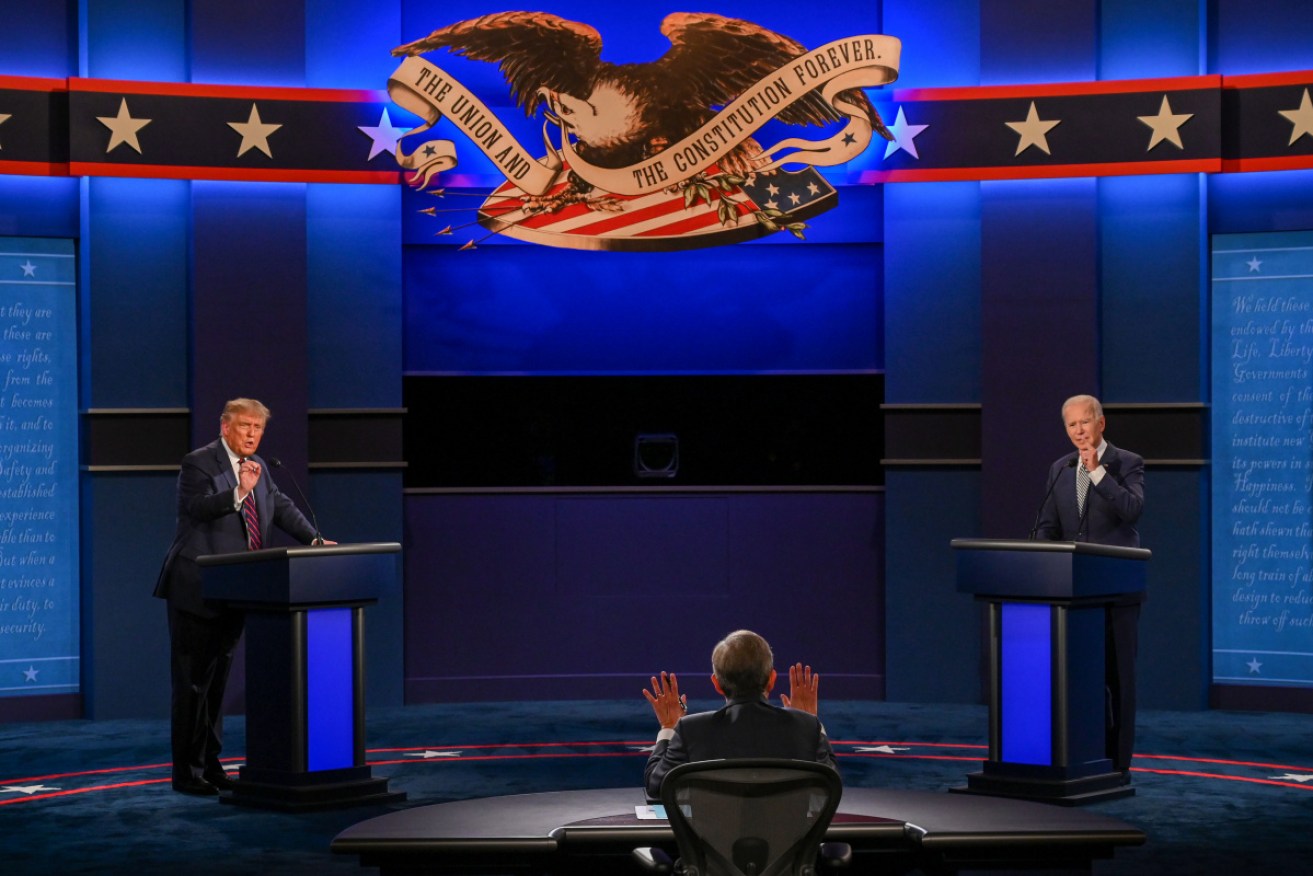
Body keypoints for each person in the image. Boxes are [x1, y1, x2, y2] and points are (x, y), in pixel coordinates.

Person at [154, 398, 331, 796]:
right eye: (245, 426)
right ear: (225, 427)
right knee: (193, 684)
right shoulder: (197, 463)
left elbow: (279, 506)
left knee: (216, 686)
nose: (252, 434)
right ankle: (186, 772)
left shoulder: (261, 468)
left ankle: (211, 763)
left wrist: (314, 539)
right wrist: (237, 491)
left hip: (237, 589)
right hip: (196, 589)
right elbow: (197, 508)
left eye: (258, 428)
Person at [1033, 394, 1145, 780]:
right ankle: (1083, 754)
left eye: (1085, 422)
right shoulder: (1060, 469)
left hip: (1116, 591)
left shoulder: (1126, 462)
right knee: (1079, 679)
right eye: (1071, 425)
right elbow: (1048, 525)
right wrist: (1044, 555)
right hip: (1072, 592)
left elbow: (1132, 510)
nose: (1078, 431)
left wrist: (1099, 473)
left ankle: (1118, 764)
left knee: (1118, 679)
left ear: (1101, 423)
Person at [642, 629, 837, 801]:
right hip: (792, 843)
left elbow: (656, 786)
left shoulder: (690, 730)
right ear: (772, 680)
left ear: (716, 684)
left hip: (710, 843)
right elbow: (832, 784)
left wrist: (668, 727)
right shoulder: (805, 727)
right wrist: (810, 723)